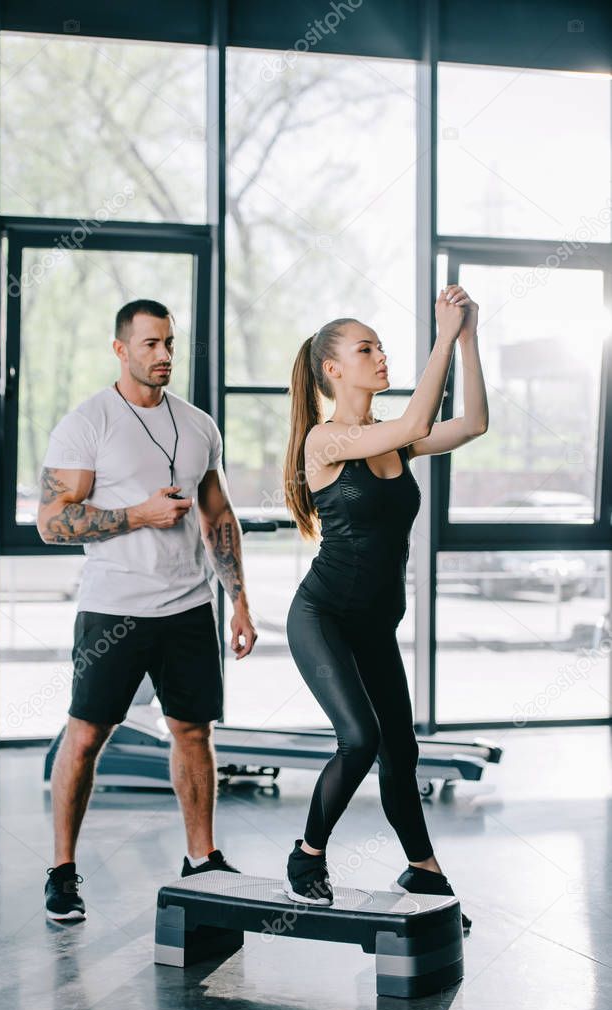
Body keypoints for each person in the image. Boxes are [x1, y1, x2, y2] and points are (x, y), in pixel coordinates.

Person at [38, 298, 258, 922]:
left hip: (191, 604)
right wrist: (139, 512)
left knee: (194, 731)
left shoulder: (198, 425)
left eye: (169, 343)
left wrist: (238, 598)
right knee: (85, 738)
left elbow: (217, 513)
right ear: (120, 350)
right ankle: (62, 870)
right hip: (114, 608)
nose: (164, 356)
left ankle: (201, 857)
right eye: (150, 345)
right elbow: (52, 523)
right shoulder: (87, 423)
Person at [281, 285, 488, 935]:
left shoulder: (389, 439)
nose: (379, 355)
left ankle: (422, 869)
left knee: (401, 750)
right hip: (322, 616)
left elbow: (473, 423)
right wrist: (441, 338)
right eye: (364, 347)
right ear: (333, 369)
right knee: (360, 737)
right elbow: (416, 422)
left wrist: (467, 337)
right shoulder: (323, 440)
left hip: (373, 626)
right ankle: (306, 852)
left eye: (380, 344)